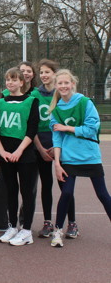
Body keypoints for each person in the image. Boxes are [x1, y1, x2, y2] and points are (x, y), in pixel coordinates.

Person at [49, 69, 111, 247]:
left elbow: (92, 128)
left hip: (90, 155)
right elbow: (56, 138)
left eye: (66, 83)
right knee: (66, 192)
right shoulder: (55, 109)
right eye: (60, 83)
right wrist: (57, 163)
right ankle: (58, 231)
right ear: (56, 86)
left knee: (102, 194)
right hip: (69, 158)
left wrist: (68, 128)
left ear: (72, 84)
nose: (63, 86)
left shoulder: (85, 103)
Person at [31, 59, 78, 238]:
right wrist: (42, 149)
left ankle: (72, 223)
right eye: (41, 72)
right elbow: (32, 124)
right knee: (46, 185)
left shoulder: (62, 93)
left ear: (54, 74)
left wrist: (56, 147)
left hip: (61, 146)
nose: (44, 75)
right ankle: (47, 222)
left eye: (47, 72)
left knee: (65, 186)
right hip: (41, 147)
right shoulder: (34, 95)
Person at [0, 67, 39, 246]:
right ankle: (12, 226)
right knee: (10, 191)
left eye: (14, 79)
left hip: (24, 153)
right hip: (5, 154)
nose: (10, 83)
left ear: (22, 82)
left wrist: (19, 151)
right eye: (7, 79)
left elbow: (32, 128)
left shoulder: (31, 101)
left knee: (26, 192)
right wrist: (1, 151)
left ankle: (26, 230)